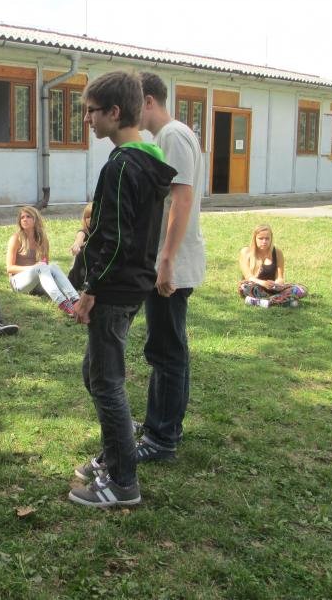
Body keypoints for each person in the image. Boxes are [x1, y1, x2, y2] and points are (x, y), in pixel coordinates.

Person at [68, 71, 176, 508]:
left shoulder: (121, 165)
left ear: (114, 113)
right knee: (94, 374)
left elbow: (113, 239)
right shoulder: (148, 160)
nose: (87, 120)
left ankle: (122, 481)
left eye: (91, 112)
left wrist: (90, 288)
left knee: (106, 382)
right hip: (132, 287)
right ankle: (116, 451)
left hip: (114, 291)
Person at [133, 71, 207, 466]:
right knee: (166, 348)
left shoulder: (173, 136)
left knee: (167, 351)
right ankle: (160, 426)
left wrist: (165, 259)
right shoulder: (169, 136)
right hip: (168, 262)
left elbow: (181, 199)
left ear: (148, 101)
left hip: (171, 265)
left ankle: (161, 438)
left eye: (133, 102)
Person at [5, 205, 79, 318]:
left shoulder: (42, 239)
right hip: (18, 282)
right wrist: (34, 267)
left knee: (53, 266)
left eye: (28, 216)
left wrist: (40, 267)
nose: (24, 219)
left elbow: (46, 265)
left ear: (36, 219)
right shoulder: (16, 238)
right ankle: (63, 303)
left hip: (37, 281)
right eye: (22, 217)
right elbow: (10, 268)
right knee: (41, 266)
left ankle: (76, 300)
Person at [238, 224, 307, 307]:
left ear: (271, 239)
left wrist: (275, 284)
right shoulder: (246, 252)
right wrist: (263, 283)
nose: (264, 241)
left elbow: (280, 278)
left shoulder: (277, 252)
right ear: (255, 238)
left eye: (267, 238)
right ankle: (282, 301)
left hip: (272, 289)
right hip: (255, 286)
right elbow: (248, 276)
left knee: (301, 289)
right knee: (244, 286)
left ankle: (263, 302)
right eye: (261, 238)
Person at [67, 203, 92, 289]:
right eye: (87, 217)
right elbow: (79, 239)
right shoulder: (83, 232)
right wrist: (76, 245)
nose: (90, 219)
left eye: (93, 216)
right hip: (79, 275)